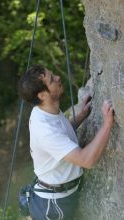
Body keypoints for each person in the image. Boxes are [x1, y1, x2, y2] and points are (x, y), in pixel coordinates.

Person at [18, 64, 114, 220]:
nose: (57, 78)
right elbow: (86, 160)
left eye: (53, 74)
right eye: (52, 80)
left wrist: (82, 115)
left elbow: (61, 134)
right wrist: (108, 124)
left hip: (55, 194)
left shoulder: (44, 111)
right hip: (54, 206)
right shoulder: (45, 129)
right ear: (42, 95)